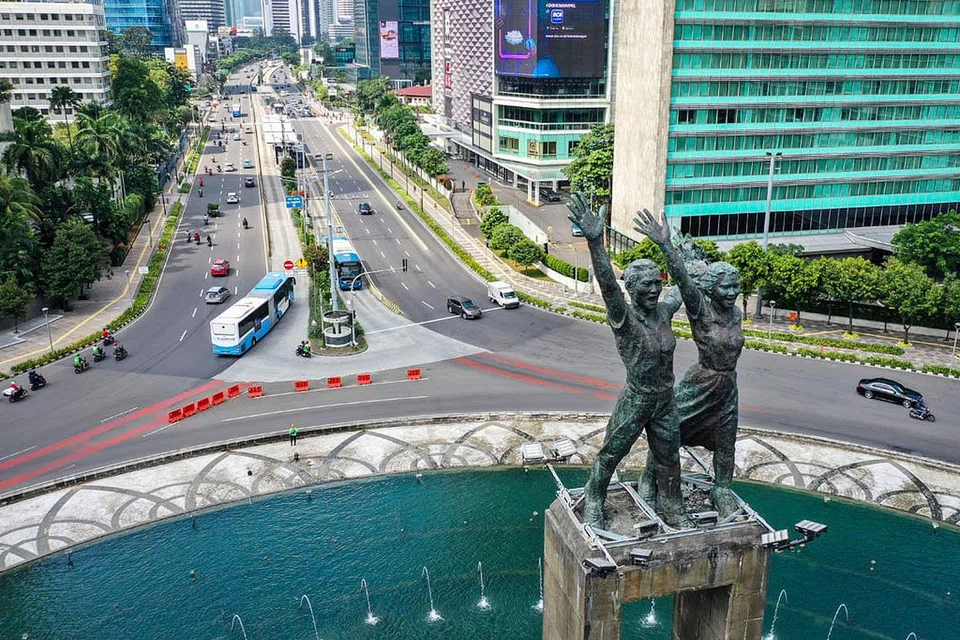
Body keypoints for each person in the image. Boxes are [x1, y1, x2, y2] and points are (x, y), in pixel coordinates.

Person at [567, 194, 689, 528]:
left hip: (665, 399)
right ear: (632, 288)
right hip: (637, 398)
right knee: (612, 453)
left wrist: (667, 247)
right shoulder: (624, 319)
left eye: (656, 283)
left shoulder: (664, 312)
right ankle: (594, 497)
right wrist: (595, 241)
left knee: (669, 458)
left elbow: (685, 286)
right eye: (646, 285)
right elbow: (607, 283)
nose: (654, 289)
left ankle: (672, 505)